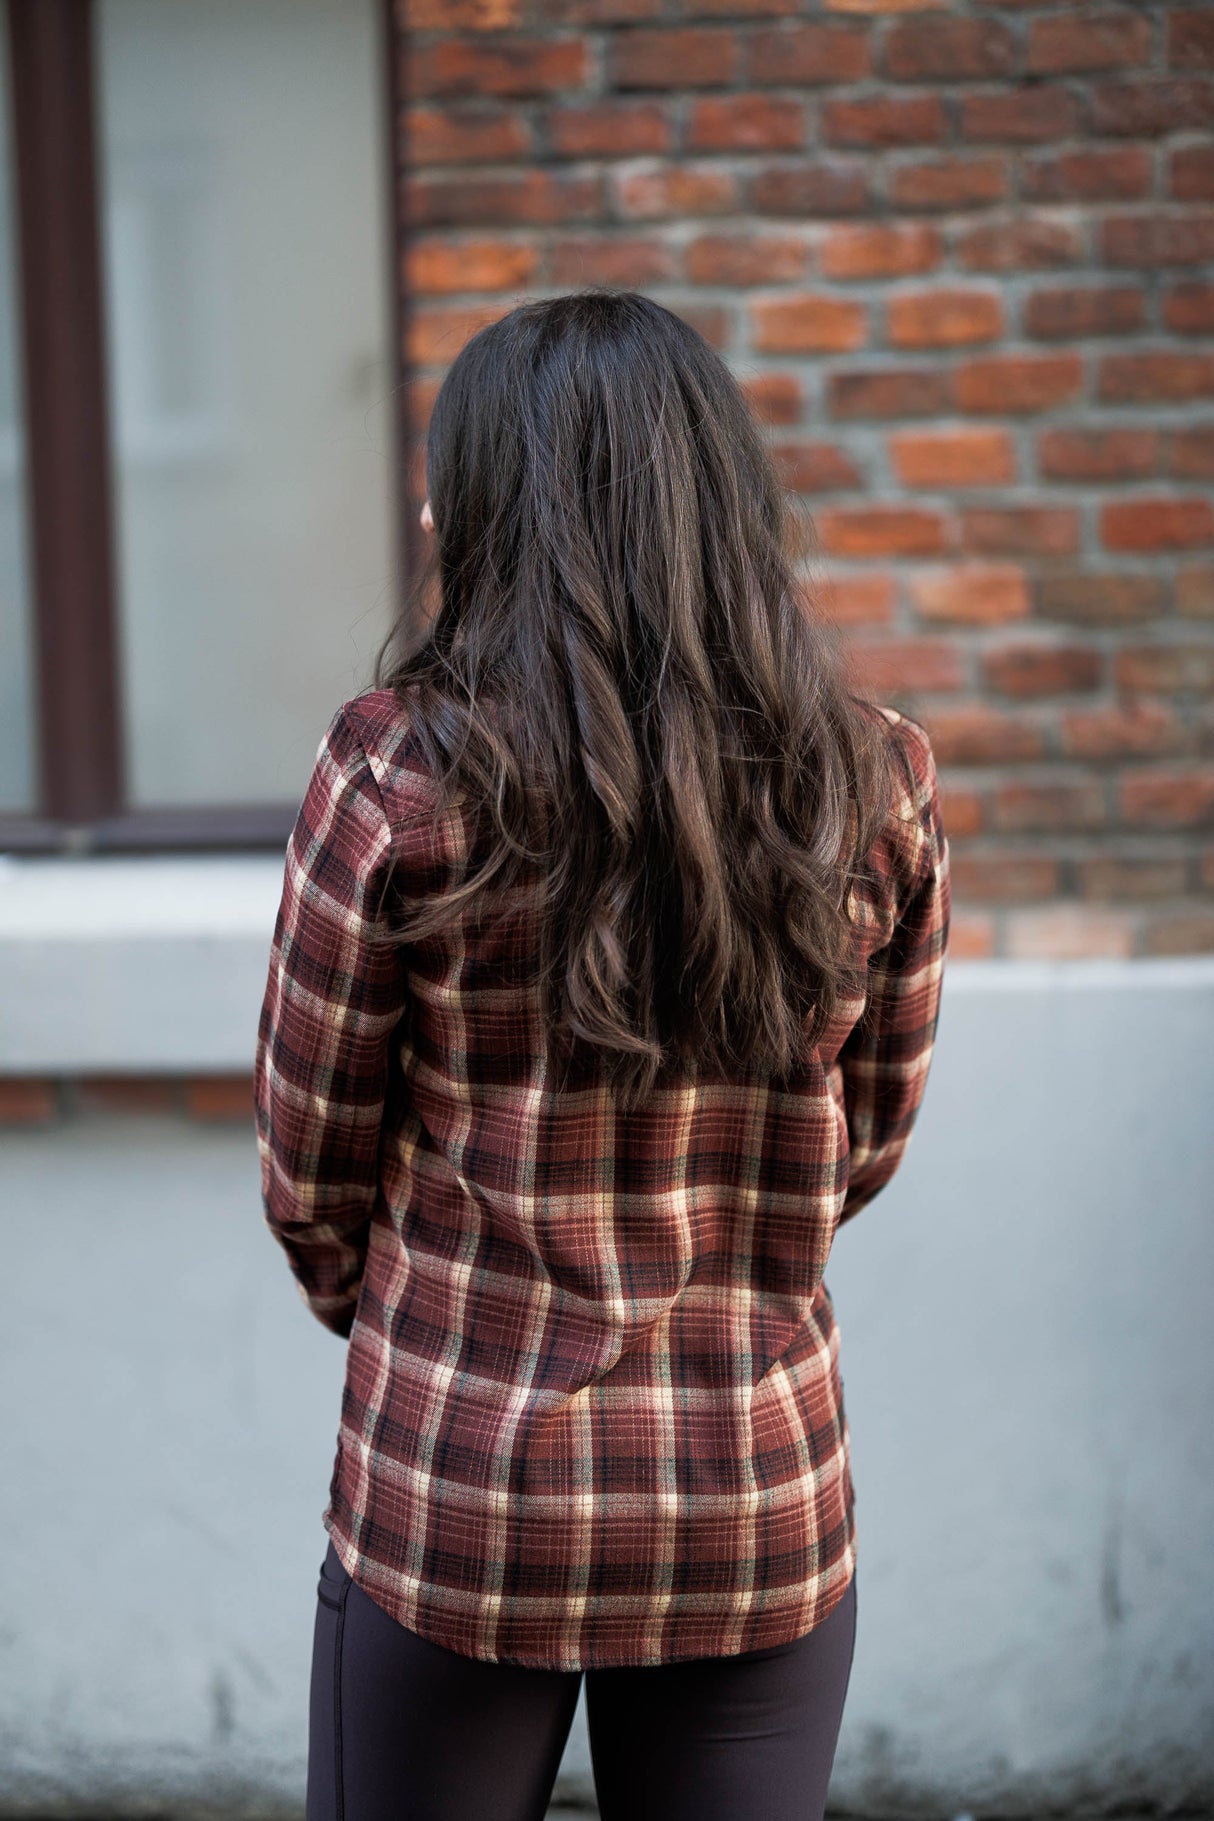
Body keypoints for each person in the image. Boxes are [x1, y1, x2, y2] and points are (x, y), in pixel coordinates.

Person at [253, 289, 951, 1821]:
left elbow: (310, 1174)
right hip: (751, 1491)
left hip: (458, 1484)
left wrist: (426, 1324)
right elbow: (866, 1140)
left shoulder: (393, 775)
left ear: (485, 507)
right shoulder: (872, 785)